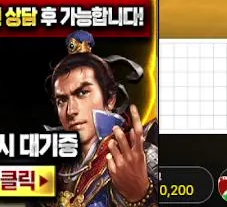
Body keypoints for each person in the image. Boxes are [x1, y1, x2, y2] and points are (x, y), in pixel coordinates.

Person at [42, 32, 158, 207]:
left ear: (110, 99)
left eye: (83, 93)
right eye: (62, 100)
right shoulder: (56, 169)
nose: (71, 111)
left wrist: (140, 194)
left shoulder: (140, 155)